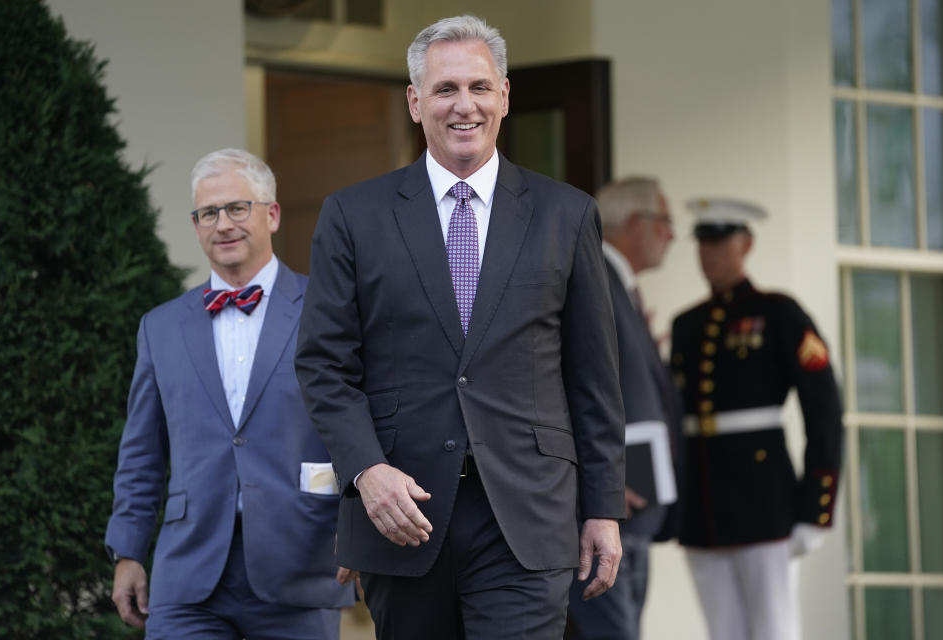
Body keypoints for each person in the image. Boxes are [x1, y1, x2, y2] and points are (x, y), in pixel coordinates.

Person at [294, 15, 626, 640]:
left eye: (478, 87)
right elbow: (323, 366)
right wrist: (366, 471)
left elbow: (594, 379)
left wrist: (604, 509)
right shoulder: (353, 216)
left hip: (528, 514)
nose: (463, 105)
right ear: (415, 103)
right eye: (445, 90)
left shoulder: (567, 214)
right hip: (403, 512)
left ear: (504, 95)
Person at [105, 149, 353, 639]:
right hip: (188, 574)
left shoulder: (329, 311)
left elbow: (358, 425)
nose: (224, 224)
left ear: (272, 214)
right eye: (209, 213)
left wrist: (361, 527)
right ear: (196, 225)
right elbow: (141, 453)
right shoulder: (160, 327)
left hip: (300, 562)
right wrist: (128, 551)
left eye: (238, 208)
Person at [669, 198, 843, 640]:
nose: (708, 252)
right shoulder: (687, 324)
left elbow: (824, 411)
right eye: (703, 242)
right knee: (722, 631)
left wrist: (815, 508)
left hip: (765, 500)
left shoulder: (778, 313)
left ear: (746, 244)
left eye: (720, 241)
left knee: (773, 629)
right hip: (702, 503)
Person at [566, 177, 684, 639]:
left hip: (630, 513)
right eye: (665, 223)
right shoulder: (594, 278)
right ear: (635, 223)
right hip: (607, 508)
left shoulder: (619, 285)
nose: (672, 236)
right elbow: (564, 384)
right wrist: (595, 480)